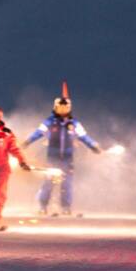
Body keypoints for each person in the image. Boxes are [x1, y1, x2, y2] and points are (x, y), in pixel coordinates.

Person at [24, 81, 102, 215]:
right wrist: (27, 142)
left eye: (65, 107)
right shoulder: (49, 121)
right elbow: (38, 133)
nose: (62, 110)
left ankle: (66, 207)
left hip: (67, 157)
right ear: (55, 107)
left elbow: (83, 136)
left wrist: (93, 145)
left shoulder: (74, 124)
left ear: (69, 108)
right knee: (49, 181)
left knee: (67, 183)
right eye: (60, 107)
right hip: (52, 157)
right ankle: (43, 206)